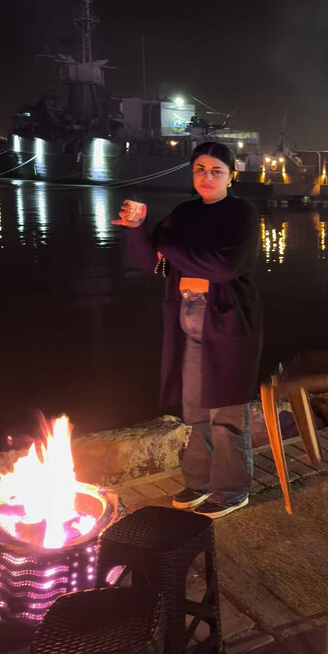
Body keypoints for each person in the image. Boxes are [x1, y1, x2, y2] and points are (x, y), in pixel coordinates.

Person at [113, 140, 262, 519]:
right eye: (200, 169)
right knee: (196, 409)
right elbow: (155, 263)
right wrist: (137, 230)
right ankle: (200, 481)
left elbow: (225, 267)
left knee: (226, 414)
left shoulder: (241, 214)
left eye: (216, 171)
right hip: (188, 319)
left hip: (229, 323)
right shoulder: (184, 213)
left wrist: (170, 246)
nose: (207, 177)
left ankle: (232, 490)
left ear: (232, 176)